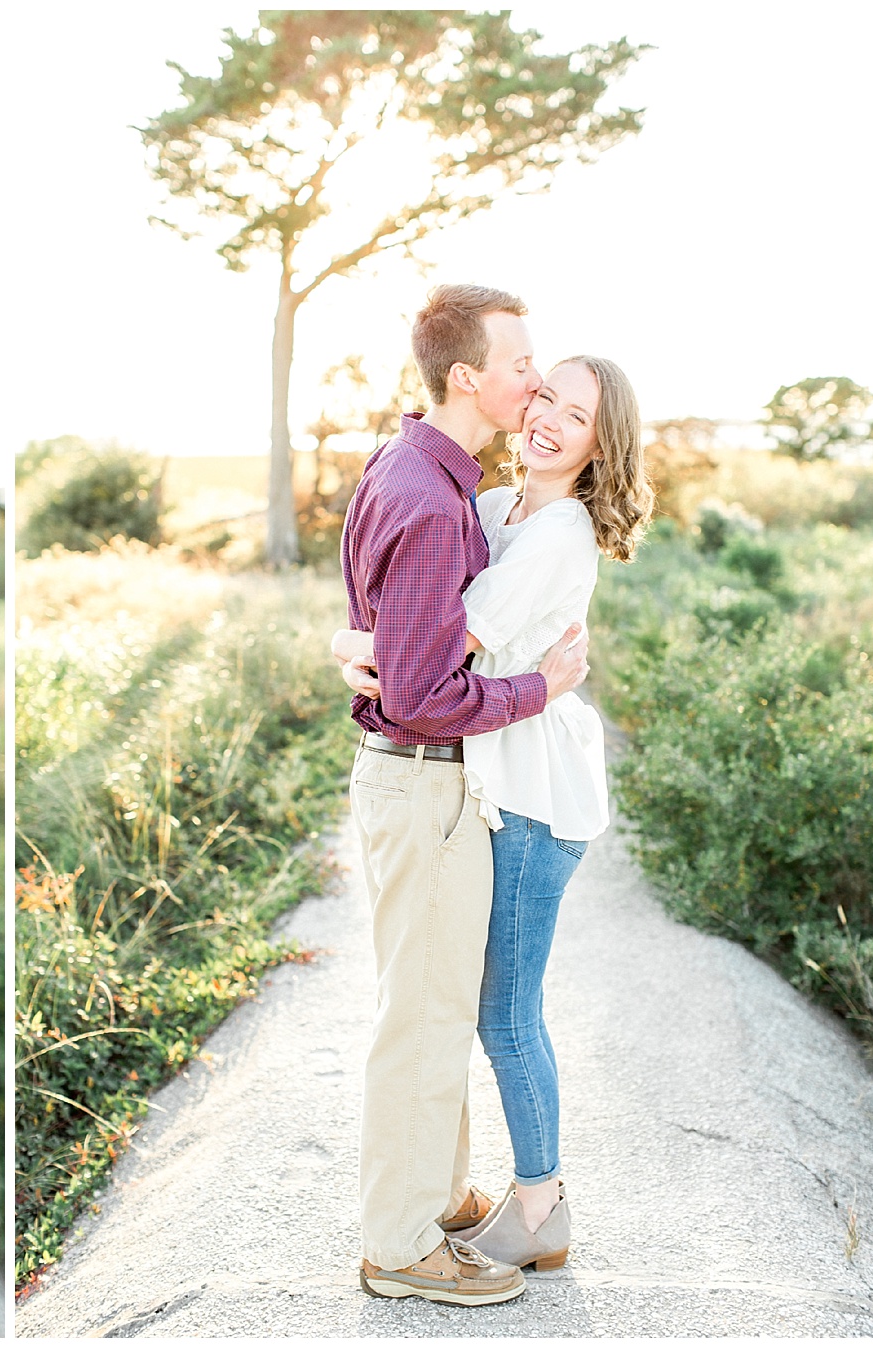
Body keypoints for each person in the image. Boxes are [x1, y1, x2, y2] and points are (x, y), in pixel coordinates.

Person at [333, 354, 654, 1276]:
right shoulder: (483, 510)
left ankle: (543, 1204)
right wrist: (348, 641)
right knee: (461, 1002)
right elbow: (407, 630)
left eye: (577, 414)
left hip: (533, 796)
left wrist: (364, 647)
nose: (548, 417)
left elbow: (434, 650)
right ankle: (457, 1192)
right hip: (489, 781)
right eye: (545, 393)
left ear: (601, 445)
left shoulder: (558, 534)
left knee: (506, 1014)